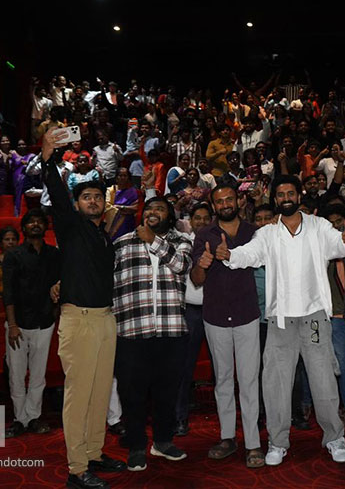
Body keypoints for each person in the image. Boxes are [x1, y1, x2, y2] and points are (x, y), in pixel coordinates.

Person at [216, 175, 345, 466]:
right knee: (276, 384)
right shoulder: (267, 233)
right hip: (280, 319)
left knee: (323, 380)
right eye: (280, 195)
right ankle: (278, 442)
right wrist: (229, 254)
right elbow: (250, 254)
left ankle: (334, 438)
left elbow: (340, 245)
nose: (286, 198)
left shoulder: (318, 226)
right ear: (275, 199)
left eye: (290, 193)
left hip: (314, 316)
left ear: (299, 195)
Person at [40, 128, 126, 489]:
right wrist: (48, 157)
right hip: (80, 320)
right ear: (76, 205)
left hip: (105, 319)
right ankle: (76, 469)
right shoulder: (71, 227)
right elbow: (58, 195)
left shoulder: (102, 236)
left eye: (97, 196)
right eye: (85, 197)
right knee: (78, 395)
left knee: (100, 391)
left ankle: (93, 452)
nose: (92, 200)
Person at [112, 197, 193, 472]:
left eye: (160, 208)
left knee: (166, 393)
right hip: (132, 331)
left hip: (171, 330)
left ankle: (163, 441)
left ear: (170, 216)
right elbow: (106, 280)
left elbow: (181, 266)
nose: (153, 212)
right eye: (149, 208)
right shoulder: (122, 243)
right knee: (132, 393)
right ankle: (136, 446)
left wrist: (152, 240)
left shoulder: (182, 241)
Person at [190, 184, 264, 469]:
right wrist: (203, 264)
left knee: (249, 380)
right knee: (222, 379)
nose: (225, 204)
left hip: (247, 314)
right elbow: (196, 279)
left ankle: (253, 443)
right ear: (213, 205)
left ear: (239, 200)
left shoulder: (253, 233)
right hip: (216, 316)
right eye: (219, 201)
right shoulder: (203, 235)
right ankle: (227, 438)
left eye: (229, 199)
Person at [2, 210, 60, 439]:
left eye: (39, 222)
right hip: (18, 323)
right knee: (16, 375)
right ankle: (19, 418)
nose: (35, 225)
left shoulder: (54, 254)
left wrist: (54, 314)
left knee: (38, 375)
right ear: (24, 227)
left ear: (45, 226)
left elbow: (60, 285)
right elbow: (8, 292)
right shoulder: (13, 255)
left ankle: (33, 417)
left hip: (45, 322)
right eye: (31, 222)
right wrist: (12, 324)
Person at [174, 203, 213, 436]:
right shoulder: (182, 243)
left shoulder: (219, 242)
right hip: (190, 311)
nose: (202, 222)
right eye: (197, 218)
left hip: (216, 310)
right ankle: (180, 417)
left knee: (223, 367)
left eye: (206, 218)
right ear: (191, 221)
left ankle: (231, 417)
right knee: (184, 366)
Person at [320, 203, 345, 426]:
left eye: (339, 222)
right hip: (335, 313)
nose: (335, 226)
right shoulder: (322, 248)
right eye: (331, 223)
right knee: (341, 361)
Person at [104, 168, 140, 241]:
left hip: (127, 222)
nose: (122, 178)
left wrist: (121, 207)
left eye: (125, 175)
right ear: (116, 177)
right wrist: (125, 209)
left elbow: (136, 207)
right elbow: (107, 206)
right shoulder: (110, 191)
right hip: (112, 222)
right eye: (120, 175)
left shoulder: (133, 192)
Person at [10, 139, 36, 215]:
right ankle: (17, 214)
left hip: (27, 181)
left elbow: (33, 166)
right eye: (19, 145)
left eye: (23, 144)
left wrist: (16, 155)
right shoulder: (13, 156)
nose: (21, 146)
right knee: (17, 198)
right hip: (16, 180)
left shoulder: (31, 156)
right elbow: (10, 166)